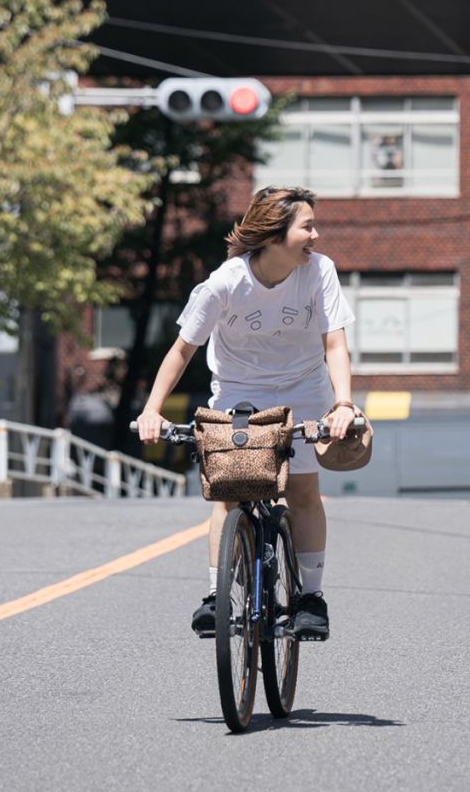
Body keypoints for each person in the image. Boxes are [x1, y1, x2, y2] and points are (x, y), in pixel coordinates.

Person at [136, 186, 356, 640]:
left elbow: (334, 343)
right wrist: (152, 411)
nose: (316, 234)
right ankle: (217, 595)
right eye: (307, 226)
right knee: (230, 491)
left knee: (302, 491)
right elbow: (182, 351)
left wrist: (343, 404)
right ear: (275, 234)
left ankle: (311, 597)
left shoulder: (318, 271)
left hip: (304, 388)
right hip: (239, 390)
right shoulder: (225, 282)